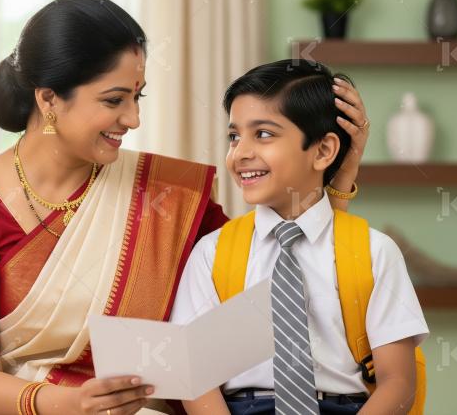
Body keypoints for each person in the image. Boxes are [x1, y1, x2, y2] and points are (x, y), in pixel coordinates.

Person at [0, 0, 370, 415]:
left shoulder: (164, 194)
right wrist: (75, 404)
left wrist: (334, 180)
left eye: (138, 97)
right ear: (49, 99)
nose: (133, 119)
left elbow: (271, 286)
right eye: (114, 100)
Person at [171, 60, 428, 415]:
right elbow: (197, 376)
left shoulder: (375, 252)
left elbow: (398, 383)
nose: (241, 153)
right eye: (234, 136)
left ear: (323, 151)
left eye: (262, 134)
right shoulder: (212, 254)